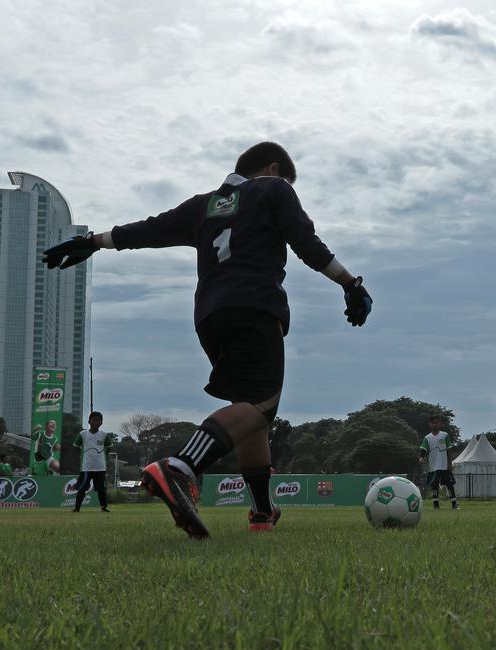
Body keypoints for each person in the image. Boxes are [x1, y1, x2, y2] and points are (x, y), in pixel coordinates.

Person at [43, 142, 372, 537]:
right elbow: (306, 243)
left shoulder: (203, 205)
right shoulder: (273, 189)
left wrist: (92, 241)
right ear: (272, 168)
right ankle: (180, 467)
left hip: (210, 316)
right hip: (255, 307)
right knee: (262, 405)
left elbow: (147, 230)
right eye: (286, 178)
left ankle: (262, 512)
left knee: (248, 417)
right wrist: (350, 284)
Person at [72, 411, 115, 513]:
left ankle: (103, 508)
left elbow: (109, 447)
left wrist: (103, 456)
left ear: (101, 423)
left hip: (100, 467)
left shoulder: (104, 435)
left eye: (98, 420)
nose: (95, 422)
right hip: (86, 467)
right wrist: (82, 455)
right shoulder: (82, 434)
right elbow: (75, 446)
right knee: (82, 488)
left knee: (101, 489)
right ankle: (77, 508)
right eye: (93, 420)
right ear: (89, 421)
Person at [419, 415, 458, 510]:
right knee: (434, 485)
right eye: (433, 423)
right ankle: (436, 504)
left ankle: (454, 504)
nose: (435, 425)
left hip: (444, 465)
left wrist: (449, 463)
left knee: (449, 484)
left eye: (437, 423)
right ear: (430, 425)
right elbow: (423, 449)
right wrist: (421, 457)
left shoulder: (444, 435)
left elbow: (449, 449)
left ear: (439, 424)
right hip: (433, 466)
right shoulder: (427, 438)